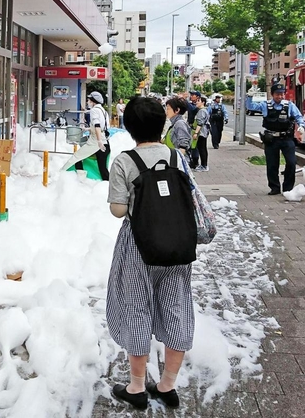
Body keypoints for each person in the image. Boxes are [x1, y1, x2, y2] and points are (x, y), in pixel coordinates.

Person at [107, 96, 195, 410]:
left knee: (137, 310)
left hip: (139, 246)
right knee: (176, 308)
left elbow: (119, 211)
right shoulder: (176, 156)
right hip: (177, 243)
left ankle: (136, 387)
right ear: (163, 124)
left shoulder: (124, 160)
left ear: (129, 128)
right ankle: (168, 385)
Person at [246, 83, 304, 195]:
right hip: (271, 139)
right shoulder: (265, 105)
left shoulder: (289, 105)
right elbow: (251, 107)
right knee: (272, 164)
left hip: (287, 139)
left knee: (291, 163)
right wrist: (249, 96)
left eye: (282, 94)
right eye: (277, 94)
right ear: (272, 94)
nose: (280, 96)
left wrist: (301, 126)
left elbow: (298, 117)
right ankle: (275, 187)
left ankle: (288, 188)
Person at [81, 91, 111, 180]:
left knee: (77, 158)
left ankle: (79, 179)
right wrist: (87, 129)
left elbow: (97, 126)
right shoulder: (104, 111)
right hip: (106, 142)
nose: (87, 102)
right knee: (103, 169)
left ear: (93, 101)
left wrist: (99, 141)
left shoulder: (94, 110)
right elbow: (102, 127)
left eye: (88, 100)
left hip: (98, 143)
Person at [190, 96, 210, 172]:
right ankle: (204, 165)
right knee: (203, 148)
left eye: (198, 101)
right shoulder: (204, 110)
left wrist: (195, 133)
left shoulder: (202, 111)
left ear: (203, 102)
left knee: (202, 149)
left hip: (201, 133)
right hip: (203, 132)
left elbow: (200, 123)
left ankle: (203, 165)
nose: (196, 102)